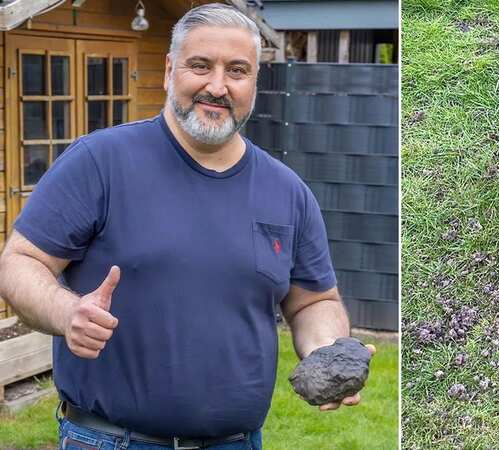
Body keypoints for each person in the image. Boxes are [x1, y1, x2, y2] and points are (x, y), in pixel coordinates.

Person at [0, 3, 373, 449]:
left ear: (255, 82)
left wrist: (327, 351)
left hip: (236, 442)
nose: (217, 86)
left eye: (237, 70)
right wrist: (67, 312)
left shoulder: (287, 191)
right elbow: (19, 263)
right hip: (111, 440)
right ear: (169, 69)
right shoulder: (100, 163)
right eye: (200, 66)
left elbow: (313, 301)